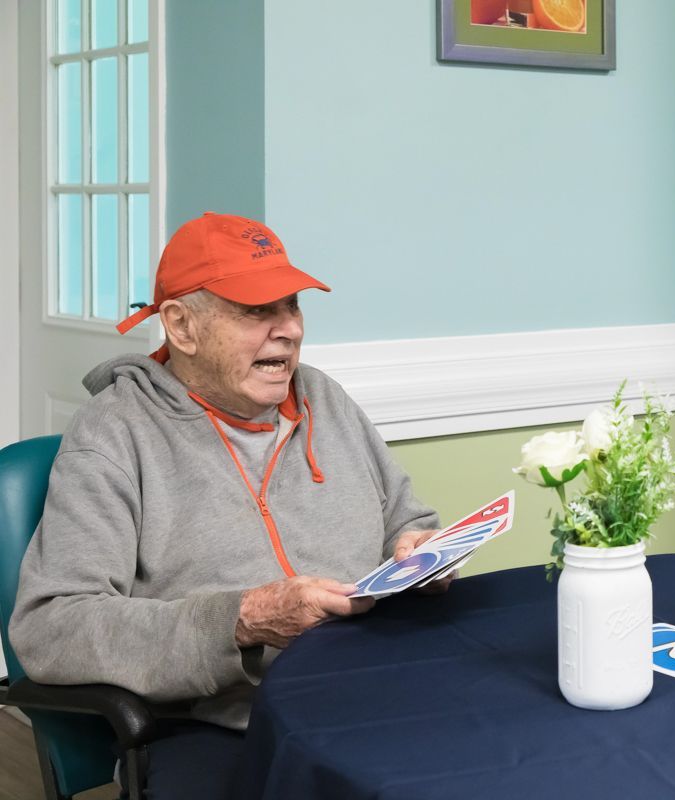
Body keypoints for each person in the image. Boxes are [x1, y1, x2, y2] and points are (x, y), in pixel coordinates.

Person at [9, 212, 447, 797]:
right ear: (182, 326)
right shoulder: (114, 433)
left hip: (371, 691)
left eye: (291, 306)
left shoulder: (323, 396)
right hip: (223, 727)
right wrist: (241, 621)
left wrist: (416, 547)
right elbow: (51, 628)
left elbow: (407, 517)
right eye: (256, 311)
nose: (288, 329)